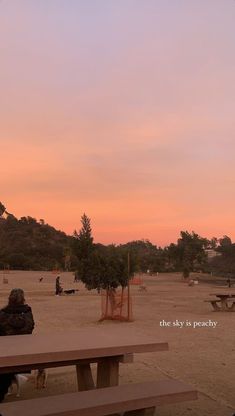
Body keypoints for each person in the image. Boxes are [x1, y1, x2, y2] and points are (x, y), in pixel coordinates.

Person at [0, 288, 34, 402]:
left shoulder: (3, 314)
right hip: (24, 351)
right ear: (23, 299)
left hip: (6, 353)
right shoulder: (28, 312)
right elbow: (31, 327)